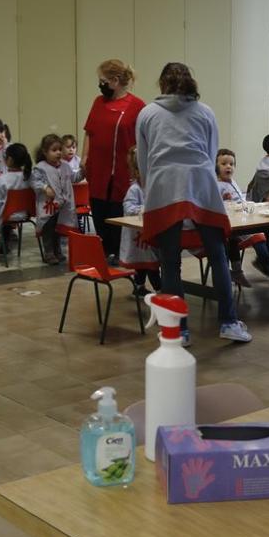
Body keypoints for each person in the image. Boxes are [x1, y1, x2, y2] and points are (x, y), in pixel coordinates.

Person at [136, 62, 251, 344]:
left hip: (164, 185)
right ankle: (228, 322)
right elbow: (212, 152)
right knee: (218, 255)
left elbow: (143, 159)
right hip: (200, 183)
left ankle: (180, 330)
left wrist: (151, 188)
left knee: (170, 263)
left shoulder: (147, 113)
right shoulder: (205, 112)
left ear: (162, 84)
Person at [81, 59, 146, 263]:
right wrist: (84, 158)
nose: (100, 85)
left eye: (103, 80)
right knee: (99, 215)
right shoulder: (98, 103)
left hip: (122, 173)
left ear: (115, 80)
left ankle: (121, 255)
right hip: (98, 171)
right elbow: (89, 132)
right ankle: (104, 253)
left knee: (118, 217)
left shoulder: (137, 106)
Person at [121, 148, 161, 297]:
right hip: (138, 234)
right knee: (150, 264)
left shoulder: (152, 188)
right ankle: (160, 290)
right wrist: (144, 209)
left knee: (146, 262)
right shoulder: (135, 189)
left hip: (149, 231)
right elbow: (128, 207)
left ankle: (139, 286)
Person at [32, 134, 77, 265]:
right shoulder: (40, 167)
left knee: (58, 229)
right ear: (45, 152)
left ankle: (58, 251)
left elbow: (73, 177)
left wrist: (84, 171)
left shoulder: (65, 166)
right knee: (48, 228)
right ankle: (49, 252)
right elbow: (34, 181)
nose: (58, 153)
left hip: (62, 206)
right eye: (54, 150)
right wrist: (45, 187)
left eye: (59, 149)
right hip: (48, 205)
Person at [215, 149, 255, 288]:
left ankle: (238, 271)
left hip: (238, 222)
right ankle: (233, 272)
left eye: (232, 164)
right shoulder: (217, 185)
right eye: (224, 163)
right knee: (231, 240)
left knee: (258, 235)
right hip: (225, 226)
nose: (228, 166)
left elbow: (240, 200)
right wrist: (222, 199)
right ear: (215, 167)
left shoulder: (233, 182)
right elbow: (214, 205)